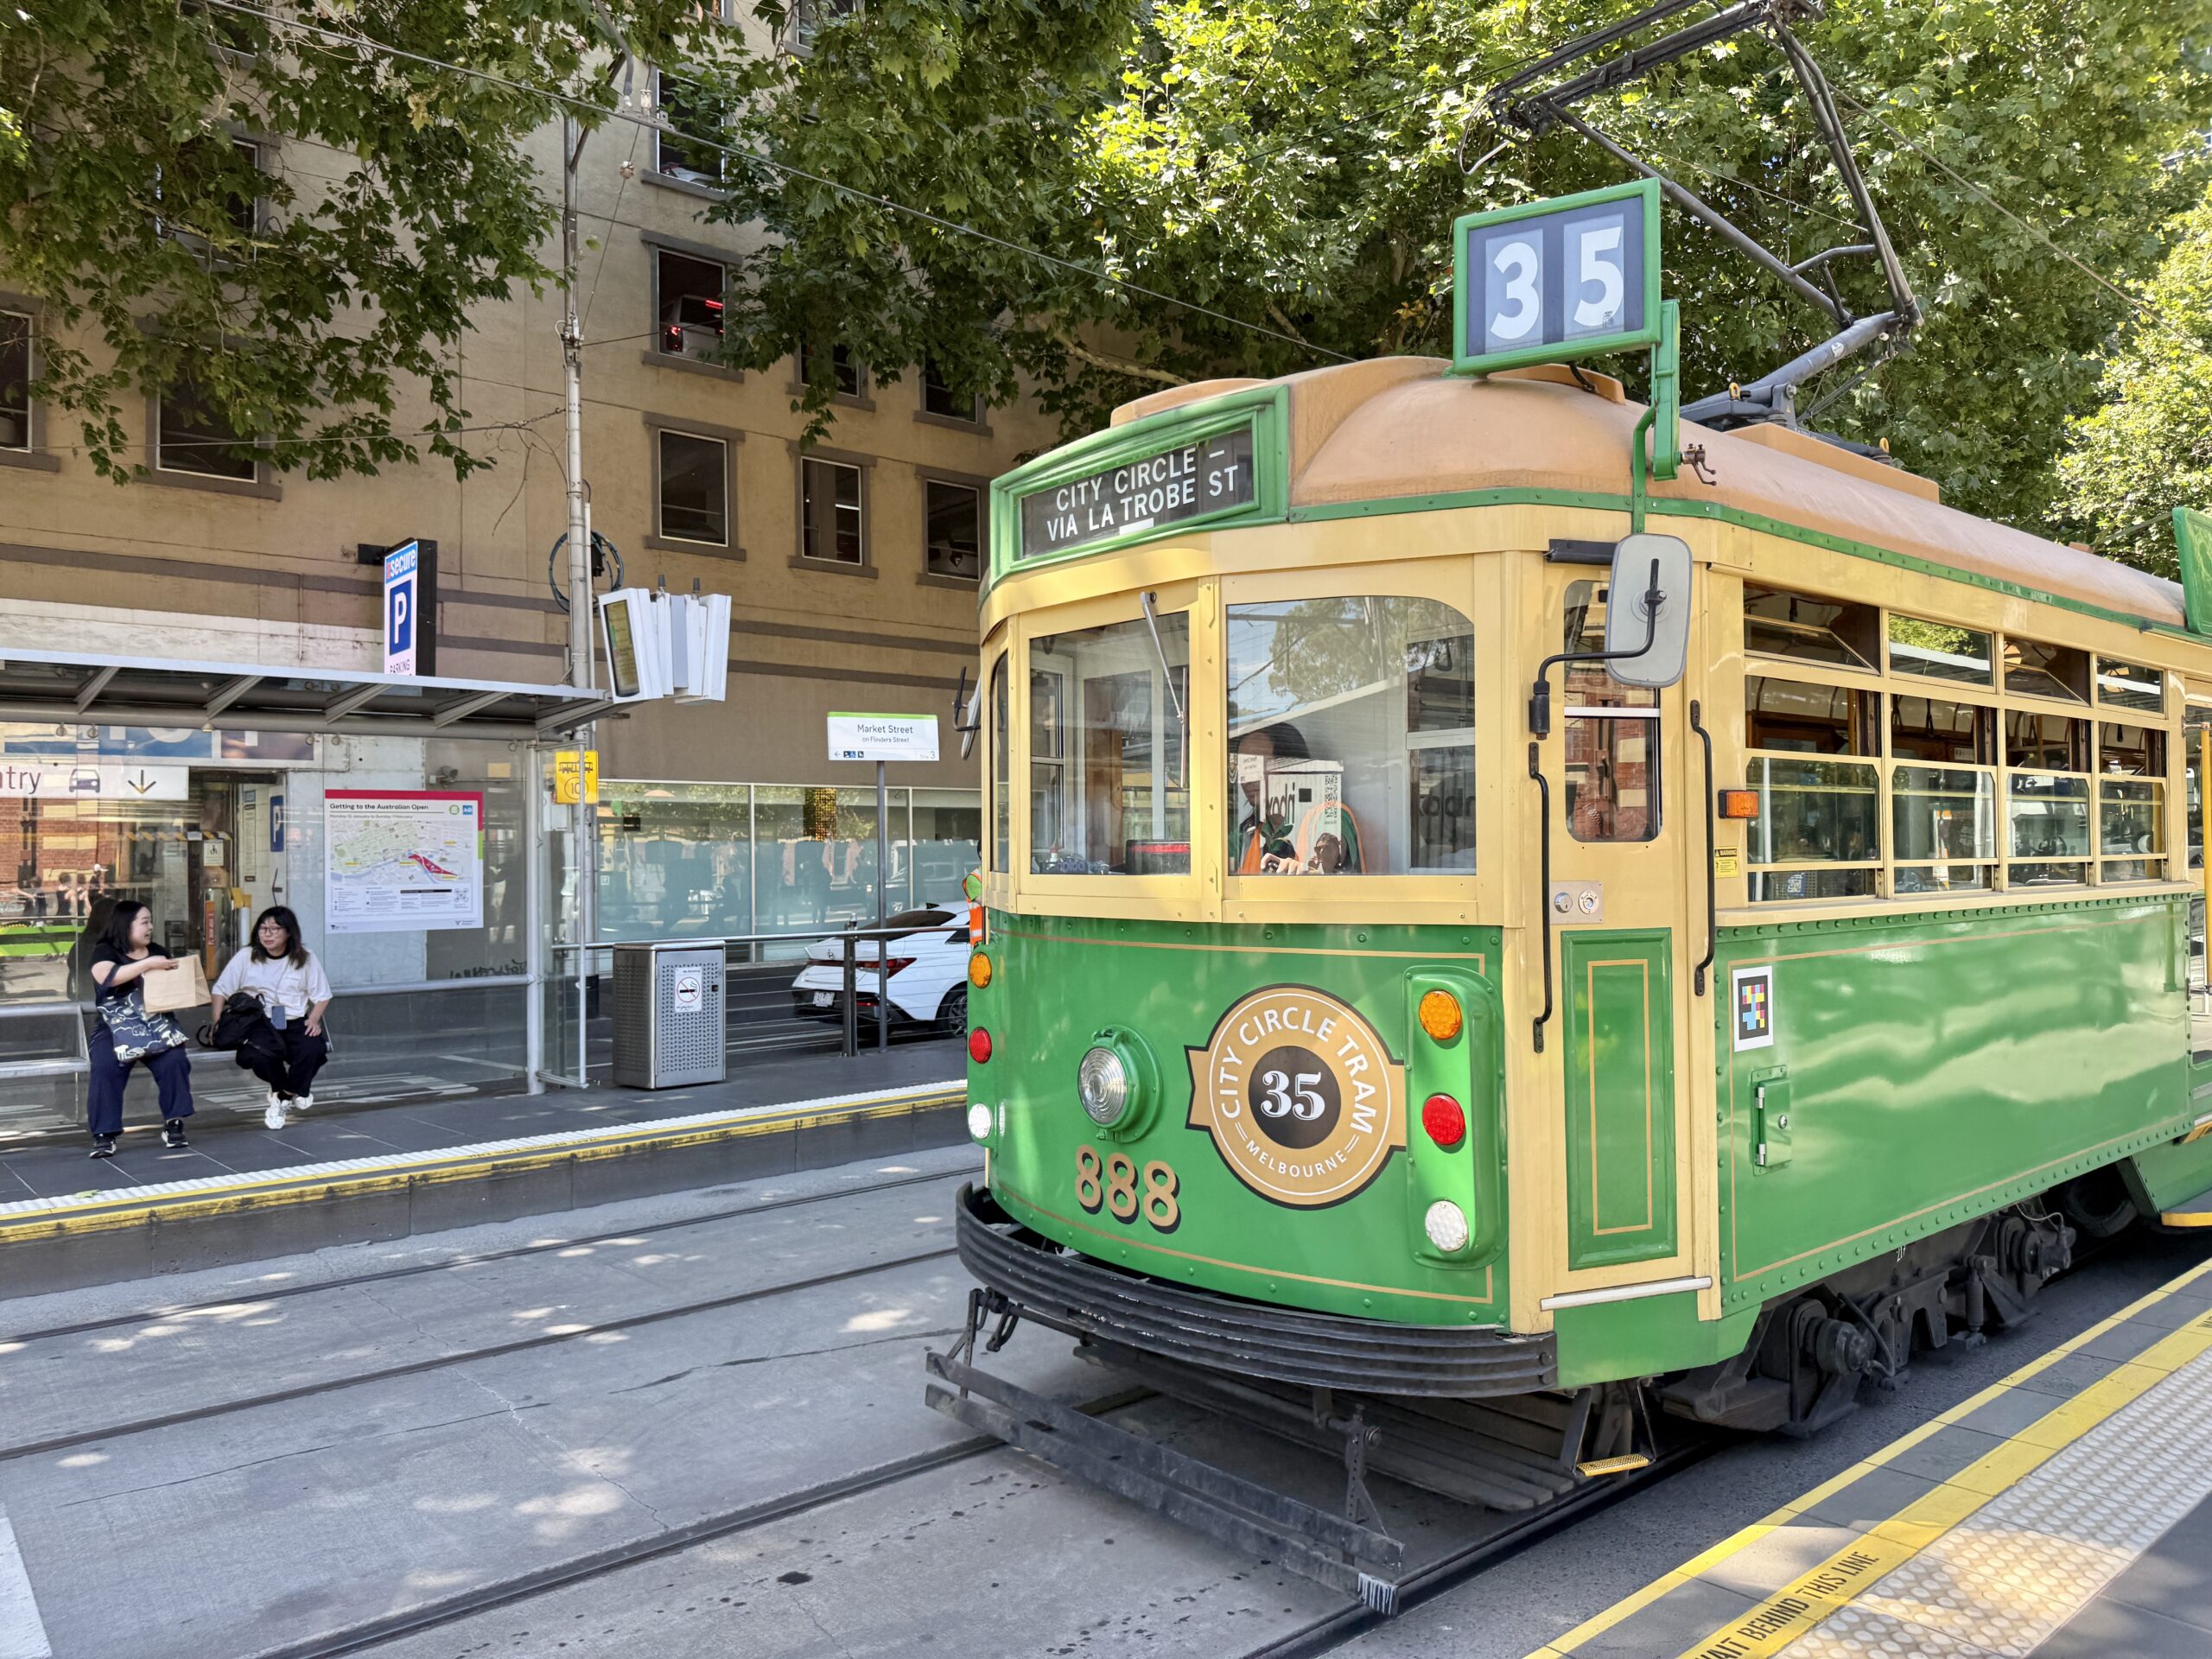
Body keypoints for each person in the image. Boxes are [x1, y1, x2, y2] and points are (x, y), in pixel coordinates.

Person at [85, 899, 194, 1158]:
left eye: (150, 922)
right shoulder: (105, 951)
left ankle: (174, 1122)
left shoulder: (158, 950)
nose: (150, 927)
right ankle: (104, 1134)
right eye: (144, 922)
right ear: (125, 925)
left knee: (174, 1060)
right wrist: (147, 965)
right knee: (105, 1065)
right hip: (115, 1027)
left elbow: (171, 990)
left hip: (156, 1023)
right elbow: (107, 977)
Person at [212, 906, 334, 1129]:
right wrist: (218, 1022)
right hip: (257, 1021)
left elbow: (323, 995)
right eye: (263, 929)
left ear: (289, 932)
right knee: (260, 1055)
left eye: (274, 929)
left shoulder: (305, 958)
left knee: (313, 1050)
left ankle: (283, 1096)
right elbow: (221, 989)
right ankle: (289, 1088)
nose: (267, 934)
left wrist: (314, 1020)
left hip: (296, 1018)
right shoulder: (246, 956)